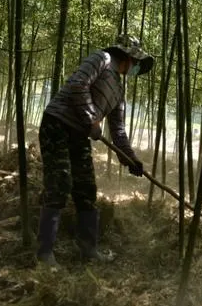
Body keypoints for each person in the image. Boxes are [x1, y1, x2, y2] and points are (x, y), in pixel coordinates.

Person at [36, 34, 154, 265]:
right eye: (135, 62)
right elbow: (77, 84)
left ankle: (89, 249)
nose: (135, 68)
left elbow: (117, 131)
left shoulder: (118, 93)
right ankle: (44, 253)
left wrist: (130, 158)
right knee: (60, 183)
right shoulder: (101, 58)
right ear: (127, 57)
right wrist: (92, 118)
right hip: (57, 124)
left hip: (79, 135)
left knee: (86, 189)